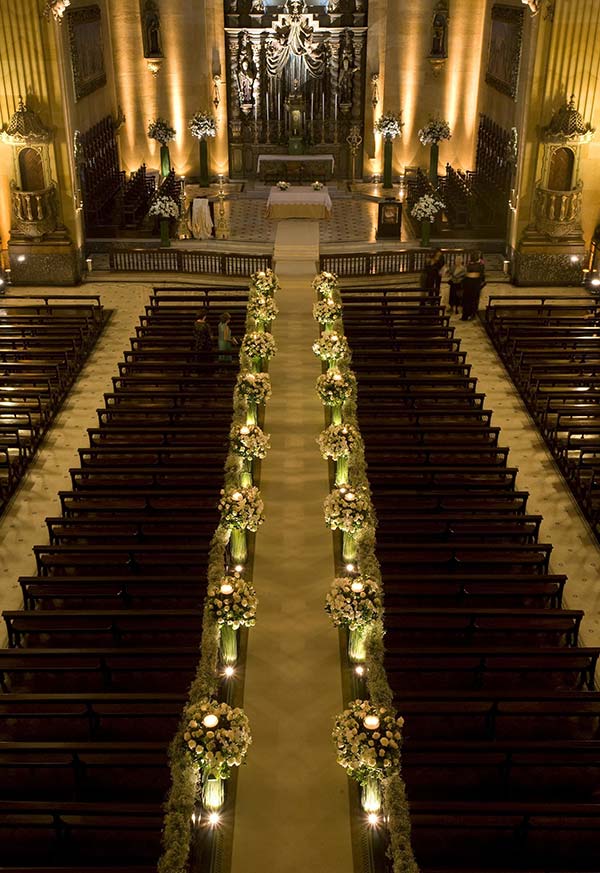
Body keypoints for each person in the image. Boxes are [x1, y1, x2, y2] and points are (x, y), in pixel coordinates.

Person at [461, 251, 486, 321]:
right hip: (474, 284)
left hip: (471, 284)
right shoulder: (480, 265)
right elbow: (482, 275)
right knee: (473, 300)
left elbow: (468, 273)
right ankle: (470, 314)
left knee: (469, 300)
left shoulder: (471, 265)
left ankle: (467, 315)